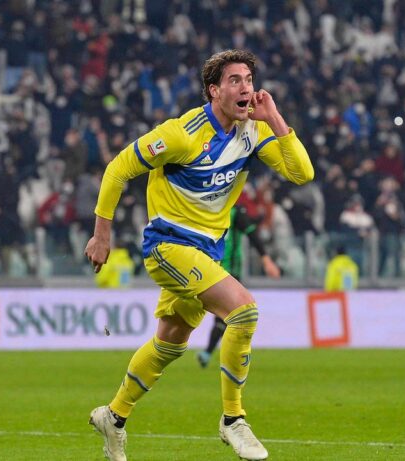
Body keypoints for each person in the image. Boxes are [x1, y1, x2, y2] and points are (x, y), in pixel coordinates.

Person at [85, 49, 314, 461]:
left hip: (207, 252)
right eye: (234, 80)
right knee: (243, 311)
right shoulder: (181, 134)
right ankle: (233, 419)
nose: (245, 88)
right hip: (168, 245)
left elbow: (302, 173)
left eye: (249, 80)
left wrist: (275, 119)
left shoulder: (253, 131)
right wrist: (102, 235)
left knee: (171, 342)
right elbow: (118, 168)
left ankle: (113, 416)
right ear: (214, 90)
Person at [197, 204, 281, 368]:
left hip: (213, 270)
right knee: (233, 314)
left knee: (226, 315)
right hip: (229, 272)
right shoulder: (234, 212)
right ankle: (226, 356)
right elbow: (252, 234)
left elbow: (251, 230)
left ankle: (209, 353)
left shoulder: (211, 210)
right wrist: (266, 259)